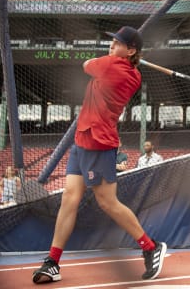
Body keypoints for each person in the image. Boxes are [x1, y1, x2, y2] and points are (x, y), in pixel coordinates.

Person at [32, 26, 166, 284]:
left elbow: (86, 65)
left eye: (117, 44)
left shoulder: (117, 68)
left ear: (131, 50)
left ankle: (150, 247)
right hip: (82, 139)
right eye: (112, 42)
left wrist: (119, 60)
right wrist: (123, 58)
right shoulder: (124, 67)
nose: (111, 46)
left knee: (107, 203)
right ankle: (53, 261)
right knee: (69, 199)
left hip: (98, 143)